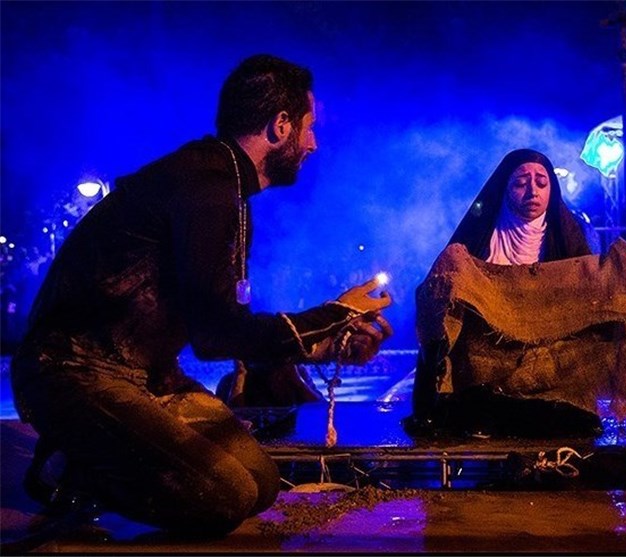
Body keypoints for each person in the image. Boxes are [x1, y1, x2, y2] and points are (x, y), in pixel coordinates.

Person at [10, 54, 393, 537]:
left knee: (261, 482)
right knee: (224, 495)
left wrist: (327, 342)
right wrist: (333, 314)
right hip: (73, 374)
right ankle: (74, 465)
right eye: (308, 127)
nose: (313, 143)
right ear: (280, 126)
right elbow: (215, 335)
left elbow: (223, 325)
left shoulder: (225, 185)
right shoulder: (204, 186)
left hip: (146, 377)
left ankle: (101, 451)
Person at [406, 149, 626, 439]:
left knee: (578, 389)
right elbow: (437, 305)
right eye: (521, 183)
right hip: (489, 360)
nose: (533, 191)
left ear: (551, 190)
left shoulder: (568, 236)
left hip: (550, 361)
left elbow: (593, 294)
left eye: (541, 183)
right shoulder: (475, 244)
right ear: (504, 188)